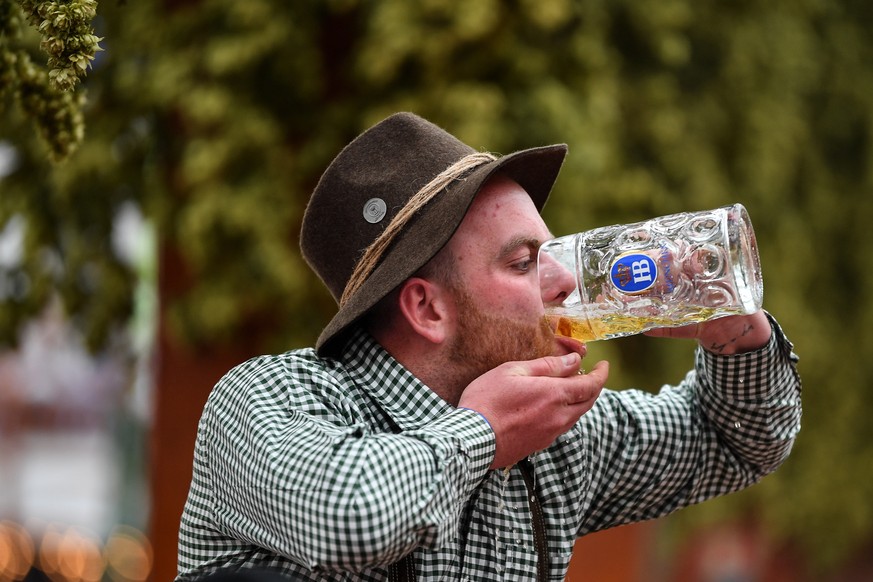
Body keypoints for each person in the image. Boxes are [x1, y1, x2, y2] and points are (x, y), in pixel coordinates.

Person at [176, 112, 802, 581]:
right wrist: (482, 434)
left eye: (553, 252)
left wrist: (734, 337)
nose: (562, 281)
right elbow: (352, 516)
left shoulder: (552, 433)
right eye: (525, 261)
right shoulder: (271, 397)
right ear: (427, 308)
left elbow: (734, 440)